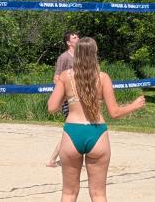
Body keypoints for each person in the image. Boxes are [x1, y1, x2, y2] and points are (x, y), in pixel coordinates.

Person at [48, 37, 146, 202]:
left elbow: (51, 108)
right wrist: (134, 105)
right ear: (95, 54)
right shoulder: (103, 77)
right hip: (97, 133)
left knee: (68, 194)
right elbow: (114, 112)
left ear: (76, 54)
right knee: (99, 195)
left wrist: (66, 93)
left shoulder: (66, 76)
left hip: (73, 132)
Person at [47, 31, 80, 167]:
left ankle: (54, 159)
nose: (78, 38)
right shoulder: (64, 57)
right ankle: (53, 159)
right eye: (74, 37)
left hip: (79, 98)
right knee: (72, 129)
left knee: (73, 129)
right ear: (68, 42)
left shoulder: (80, 56)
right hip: (69, 99)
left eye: (78, 36)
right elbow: (56, 78)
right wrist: (66, 93)